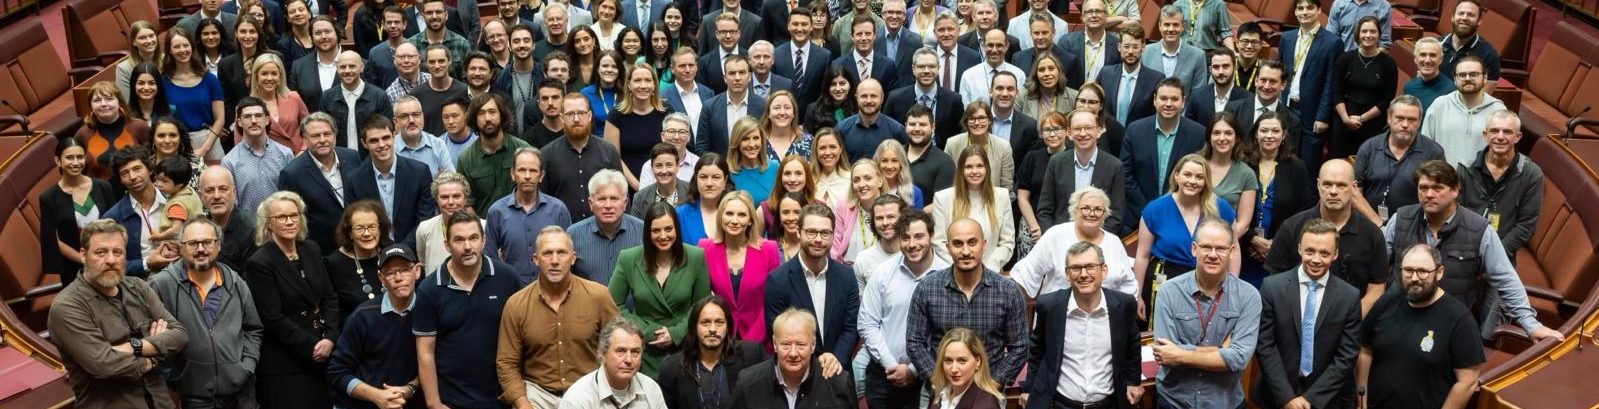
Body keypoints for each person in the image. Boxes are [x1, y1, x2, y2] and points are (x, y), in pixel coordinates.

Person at [1383, 161, 1562, 342]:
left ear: (1455, 190)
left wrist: (1532, 325)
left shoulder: (1479, 229)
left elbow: (1505, 278)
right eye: (1423, 188)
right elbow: (1376, 267)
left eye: (1438, 188)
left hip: (1450, 328)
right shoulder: (1400, 219)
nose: (1429, 194)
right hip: (1400, 318)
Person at [48, 219, 190, 409]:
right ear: (83, 255)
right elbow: (104, 365)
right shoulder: (67, 306)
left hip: (160, 402)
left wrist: (134, 346)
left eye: (118, 252)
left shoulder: (138, 287)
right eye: (101, 252)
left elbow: (179, 335)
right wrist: (155, 355)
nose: (111, 260)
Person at [496, 227, 619, 408]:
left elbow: (619, 346)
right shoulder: (516, 305)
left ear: (573, 257)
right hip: (538, 395)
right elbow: (507, 363)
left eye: (561, 253)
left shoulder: (598, 296)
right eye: (547, 254)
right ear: (535, 259)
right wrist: (522, 403)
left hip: (588, 392)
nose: (554, 261)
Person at [149, 218, 264, 408]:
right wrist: (173, 379)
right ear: (181, 247)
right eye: (192, 243)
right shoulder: (161, 285)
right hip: (190, 398)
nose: (200, 249)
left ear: (218, 245)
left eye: (207, 242)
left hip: (240, 396)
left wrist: (246, 367)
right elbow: (150, 337)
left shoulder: (235, 283)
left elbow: (253, 329)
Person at [1355, 243, 1483, 409]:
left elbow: (1467, 382)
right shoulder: (1388, 301)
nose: (1414, 278)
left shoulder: (1460, 319)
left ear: (1439, 272)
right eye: (1408, 270)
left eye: (1422, 271)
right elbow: (1365, 349)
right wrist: (1361, 395)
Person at [1252, 218, 1362, 409]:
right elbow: (1265, 345)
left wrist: (1311, 399)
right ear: (1300, 249)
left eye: (1324, 253)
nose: (1316, 259)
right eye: (1310, 251)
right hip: (1275, 397)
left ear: (1335, 254)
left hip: (1326, 401)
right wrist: (1286, 397)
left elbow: (1346, 355)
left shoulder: (1349, 297)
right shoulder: (1272, 288)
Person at [1150, 219, 1261, 409]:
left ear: (1232, 251)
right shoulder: (1169, 291)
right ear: (1194, 249)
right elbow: (1165, 355)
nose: (1213, 254)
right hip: (1174, 401)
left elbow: (1238, 359)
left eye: (1221, 248)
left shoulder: (1249, 296)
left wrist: (1181, 354)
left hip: (1225, 403)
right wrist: (1220, 351)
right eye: (1206, 247)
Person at [244, 191, 341, 408]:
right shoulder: (260, 262)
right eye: (281, 217)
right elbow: (272, 318)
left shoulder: (312, 249)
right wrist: (313, 346)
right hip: (286, 364)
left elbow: (329, 298)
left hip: (322, 355)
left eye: (294, 215)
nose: (289, 222)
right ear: (268, 224)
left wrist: (331, 338)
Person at [418, 212, 522, 408]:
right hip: (452, 401)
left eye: (473, 238)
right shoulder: (429, 289)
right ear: (447, 245)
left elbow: (523, 336)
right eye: (459, 240)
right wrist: (434, 403)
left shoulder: (507, 277)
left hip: (502, 398)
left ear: (484, 241)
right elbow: (425, 352)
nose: (467, 246)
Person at [907, 218, 1029, 386]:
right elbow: (914, 343)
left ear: (984, 244)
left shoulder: (1008, 291)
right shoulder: (927, 288)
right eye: (958, 244)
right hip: (939, 391)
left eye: (972, 242)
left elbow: (1020, 347)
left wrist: (991, 385)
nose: (965, 251)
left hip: (989, 392)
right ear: (948, 247)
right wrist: (937, 379)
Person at [1023, 242, 1144, 409]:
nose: (1083, 274)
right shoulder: (1049, 306)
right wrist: (1028, 388)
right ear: (1067, 273)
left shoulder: (1123, 305)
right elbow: (1037, 349)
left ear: (1104, 270)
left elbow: (1132, 345)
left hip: (1109, 404)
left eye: (1090, 267)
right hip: (1060, 403)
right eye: (1076, 268)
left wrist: (1133, 380)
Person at [1264, 160, 1388, 313]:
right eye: (1327, 184)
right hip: (1297, 322)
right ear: (1318, 185)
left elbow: (1376, 288)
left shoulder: (1372, 234)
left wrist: (1350, 322)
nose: (1333, 191)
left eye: (1341, 185)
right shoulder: (1291, 227)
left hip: (1352, 328)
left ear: (1354, 187)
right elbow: (1276, 281)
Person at [1133, 154, 1239, 320]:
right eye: (1187, 175)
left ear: (1206, 181)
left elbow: (1235, 252)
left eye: (1199, 177)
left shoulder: (1221, 208)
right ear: (1176, 175)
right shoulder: (1155, 209)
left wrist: (1232, 288)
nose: (1192, 181)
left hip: (1209, 280)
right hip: (1163, 282)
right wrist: (1137, 294)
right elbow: (1142, 255)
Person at [610, 201, 709, 376]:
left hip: (683, 349)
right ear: (647, 232)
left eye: (668, 229)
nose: (663, 236)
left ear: (677, 229)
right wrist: (648, 332)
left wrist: (676, 333)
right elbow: (612, 304)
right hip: (642, 352)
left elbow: (701, 305)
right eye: (656, 231)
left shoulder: (695, 256)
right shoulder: (629, 258)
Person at [860, 209, 946, 409]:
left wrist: (913, 370)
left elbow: (945, 333)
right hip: (883, 375)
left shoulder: (946, 277)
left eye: (919, 236)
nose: (912, 244)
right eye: (905, 238)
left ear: (931, 236)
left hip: (927, 378)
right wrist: (891, 365)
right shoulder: (882, 274)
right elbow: (867, 324)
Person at [327, 243, 423, 409]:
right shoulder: (363, 316)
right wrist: (376, 396)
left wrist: (410, 388)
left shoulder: (429, 311)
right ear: (381, 278)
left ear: (417, 271)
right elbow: (337, 372)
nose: (399, 278)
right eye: (391, 273)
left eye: (405, 270)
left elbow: (440, 364)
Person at [765, 202, 861, 363]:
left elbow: (851, 328)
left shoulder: (847, 276)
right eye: (811, 232)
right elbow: (777, 332)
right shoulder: (778, 280)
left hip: (838, 372)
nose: (818, 239)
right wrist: (814, 363)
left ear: (832, 235)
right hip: (797, 370)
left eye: (825, 233)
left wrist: (835, 359)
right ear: (798, 232)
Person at [1012, 187, 1139, 299]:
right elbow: (1025, 274)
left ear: (1105, 214)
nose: (1091, 214)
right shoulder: (1055, 235)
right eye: (1085, 208)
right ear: (1075, 210)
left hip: (1105, 319)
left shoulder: (1114, 242)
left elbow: (1128, 285)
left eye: (1098, 209)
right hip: (1058, 316)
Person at [1240, 112, 1319, 284]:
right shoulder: (1242, 164)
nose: (1269, 136)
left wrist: (1275, 244)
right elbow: (1232, 207)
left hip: (1281, 251)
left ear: (1283, 135)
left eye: (1275, 131)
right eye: (1264, 130)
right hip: (1243, 248)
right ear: (1256, 133)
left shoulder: (1297, 167)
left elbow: (1304, 210)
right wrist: (1252, 239)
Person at [1457, 110, 1542, 261]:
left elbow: (1526, 225)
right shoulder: (1465, 167)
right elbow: (1455, 213)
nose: (1500, 137)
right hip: (1464, 252)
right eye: (1494, 131)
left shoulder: (1531, 174)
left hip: (1503, 255)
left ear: (1518, 137)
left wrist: (1494, 255)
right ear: (1485, 135)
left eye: (1507, 132)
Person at [729, 308, 858, 407]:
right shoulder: (748, 384)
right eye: (785, 344)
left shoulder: (838, 384)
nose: (793, 353)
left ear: (813, 345)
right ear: (774, 344)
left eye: (801, 345)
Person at [701, 191, 785, 343]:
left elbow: (773, 299)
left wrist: (752, 341)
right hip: (719, 339)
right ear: (720, 217)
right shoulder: (705, 249)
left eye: (741, 215)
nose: (734, 220)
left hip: (760, 340)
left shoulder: (769, 250)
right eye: (729, 214)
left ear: (751, 220)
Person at [1122, 78, 1207, 227]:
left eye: (1174, 99)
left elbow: (1199, 176)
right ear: (1154, 100)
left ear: (1183, 102)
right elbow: (1126, 174)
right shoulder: (1135, 130)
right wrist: (1148, 210)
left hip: (1181, 216)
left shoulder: (1198, 134)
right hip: (1138, 216)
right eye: (1163, 98)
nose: (1168, 104)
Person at [656, 296, 767, 409]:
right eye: (705, 322)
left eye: (719, 322)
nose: (713, 329)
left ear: (728, 327)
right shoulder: (672, 368)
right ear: (694, 327)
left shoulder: (750, 355)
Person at [1351, 96, 1446, 227]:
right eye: (1400, 118)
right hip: (1369, 225)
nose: (1405, 124)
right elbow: (1354, 191)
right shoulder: (1369, 147)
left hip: (1415, 227)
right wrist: (1378, 224)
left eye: (1412, 120)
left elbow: (1439, 195)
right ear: (1389, 118)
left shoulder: (1433, 152)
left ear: (1419, 122)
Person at [484, 147, 573, 284]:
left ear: (541, 176)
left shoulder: (558, 209)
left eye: (533, 171)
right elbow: (489, 257)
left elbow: (569, 252)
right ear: (513, 174)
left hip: (553, 288)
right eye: (522, 170)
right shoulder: (497, 212)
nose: (527, 176)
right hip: (511, 290)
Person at [276, 113, 361, 253]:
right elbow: (291, 218)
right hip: (322, 252)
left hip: (359, 242)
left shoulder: (352, 157)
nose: (322, 140)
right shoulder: (292, 173)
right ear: (305, 139)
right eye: (316, 136)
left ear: (335, 135)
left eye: (327, 134)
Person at [348, 115, 438, 246]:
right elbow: (355, 223)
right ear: (364, 143)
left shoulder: (419, 172)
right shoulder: (354, 180)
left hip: (413, 252)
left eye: (385, 138)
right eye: (374, 141)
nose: (381, 145)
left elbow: (424, 220)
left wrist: (400, 250)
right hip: (374, 252)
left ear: (394, 136)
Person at [40, 138, 118, 285]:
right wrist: (84, 259)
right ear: (58, 161)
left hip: (110, 260)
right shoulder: (48, 198)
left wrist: (107, 255)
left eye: (80, 157)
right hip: (76, 269)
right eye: (69, 157)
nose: (76, 163)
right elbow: (53, 240)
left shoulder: (103, 187)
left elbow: (115, 224)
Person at [1036, 109, 1127, 234]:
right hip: (1061, 240)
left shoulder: (1114, 166)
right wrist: (1055, 240)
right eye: (1077, 129)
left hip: (1098, 243)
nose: (1083, 134)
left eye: (1088, 128)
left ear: (1099, 131)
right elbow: (1044, 210)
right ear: (1069, 133)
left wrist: (1094, 243)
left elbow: (1116, 215)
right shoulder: (1056, 162)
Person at [1279, 0, 1345, 168]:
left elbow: (1331, 83)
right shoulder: (1287, 38)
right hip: (1287, 109)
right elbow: (1280, 74)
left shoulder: (1332, 42)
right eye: (1300, 8)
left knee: (1308, 166)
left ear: (1319, 10)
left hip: (1312, 114)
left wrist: (1322, 116)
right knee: (1285, 162)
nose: (1305, 12)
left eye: (1310, 7)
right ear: (1295, 12)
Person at [545, 92, 628, 221]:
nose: (576, 119)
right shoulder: (547, 155)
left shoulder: (608, 151)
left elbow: (622, 194)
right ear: (562, 118)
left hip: (604, 231)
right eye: (570, 114)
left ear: (589, 116)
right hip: (562, 233)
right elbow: (544, 200)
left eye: (581, 113)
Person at [931, 147, 1015, 271]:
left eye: (979, 166)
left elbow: (1007, 243)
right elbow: (939, 242)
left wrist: (986, 270)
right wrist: (959, 268)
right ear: (961, 170)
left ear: (987, 168)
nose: (974, 171)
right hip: (955, 273)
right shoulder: (942, 198)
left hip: (991, 273)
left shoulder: (1001, 196)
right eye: (969, 167)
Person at [1326, 17, 1397, 159]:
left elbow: (1387, 98)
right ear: (1358, 34)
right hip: (1343, 121)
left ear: (1379, 35)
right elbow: (1336, 91)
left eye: (1372, 31)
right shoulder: (1345, 59)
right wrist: (1346, 119)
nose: (1368, 35)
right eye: (1364, 31)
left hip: (1372, 124)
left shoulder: (1388, 64)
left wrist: (1362, 119)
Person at [558, 318, 670, 408]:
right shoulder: (577, 399)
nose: (629, 360)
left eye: (635, 352)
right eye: (620, 351)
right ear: (602, 353)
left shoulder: (651, 389)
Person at [103, 146, 177, 278]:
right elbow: (109, 263)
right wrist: (146, 263)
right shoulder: (113, 218)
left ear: (149, 169)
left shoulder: (176, 200)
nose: (132, 177)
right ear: (120, 179)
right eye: (125, 173)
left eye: (137, 169)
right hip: (142, 286)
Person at [1421, 56, 1506, 167]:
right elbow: (1425, 148)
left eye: (1473, 74)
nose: (1467, 78)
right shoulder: (1439, 106)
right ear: (1455, 79)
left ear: (1485, 77)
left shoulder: (1498, 110)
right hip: (1443, 180)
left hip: (1481, 181)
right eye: (1462, 75)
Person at [458, 93, 535, 215]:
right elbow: (466, 204)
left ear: (502, 115)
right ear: (474, 119)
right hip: (484, 226)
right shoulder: (466, 159)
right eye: (481, 113)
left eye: (492, 111)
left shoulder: (523, 150)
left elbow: (535, 191)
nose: (487, 118)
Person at [223, 98, 295, 222]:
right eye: (247, 116)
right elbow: (231, 205)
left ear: (267, 120)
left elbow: (293, 196)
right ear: (239, 122)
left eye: (258, 115)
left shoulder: (285, 154)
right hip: (248, 232)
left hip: (283, 226)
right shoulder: (229, 162)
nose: (254, 121)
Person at [162, 30, 227, 162]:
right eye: (176, 46)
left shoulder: (209, 79)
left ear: (192, 47)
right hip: (176, 143)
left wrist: (204, 149)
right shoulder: (163, 82)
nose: (182, 50)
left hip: (209, 141)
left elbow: (220, 119)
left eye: (186, 45)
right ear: (169, 50)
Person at [569, 170, 646, 283]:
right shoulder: (573, 235)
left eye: (614, 199)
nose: (608, 205)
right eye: (602, 199)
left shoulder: (642, 231)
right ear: (591, 203)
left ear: (625, 203)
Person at [322, 199, 390, 323]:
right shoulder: (334, 263)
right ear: (350, 233)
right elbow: (330, 308)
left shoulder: (391, 252)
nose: (367, 233)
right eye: (359, 229)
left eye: (372, 227)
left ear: (380, 228)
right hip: (356, 334)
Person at [1199, 115, 1260, 251]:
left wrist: (1219, 245)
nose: (1222, 138)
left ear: (1236, 138)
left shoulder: (1246, 174)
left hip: (1222, 248)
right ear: (1209, 137)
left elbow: (1243, 224)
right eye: (1216, 133)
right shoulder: (1195, 164)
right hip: (1187, 243)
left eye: (1228, 133)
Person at [607, 63, 672, 188]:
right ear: (629, 85)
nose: (643, 85)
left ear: (654, 85)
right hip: (628, 186)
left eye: (648, 80)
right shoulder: (615, 115)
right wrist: (639, 187)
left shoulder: (666, 112)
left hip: (663, 184)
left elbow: (674, 152)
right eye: (637, 80)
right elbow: (614, 158)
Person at [884, 49, 964, 148]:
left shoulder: (953, 100)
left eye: (931, 66)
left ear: (938, 68)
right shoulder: (895, 99)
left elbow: (958, 136)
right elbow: (887, 132)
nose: (926, 71)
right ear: (913, 69)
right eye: (921, 67)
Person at [75, 82, 152, 181]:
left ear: (120, 103)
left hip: (135, 187)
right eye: (97, 100)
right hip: (99, 191)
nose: (103, 104)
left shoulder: (139, 127)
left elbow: (153, 158)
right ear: (91, 106)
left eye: (109, 99)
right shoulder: (83, 134)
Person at [1018, 112, 1075, 241]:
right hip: (1033, 226)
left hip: (1064, 228)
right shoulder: (1032, 157)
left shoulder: (1074, 159)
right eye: (1047, 130)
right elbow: (1023, 198)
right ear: (1041, 134)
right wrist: (1035, 228)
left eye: (1057, 129)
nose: (1052, 134)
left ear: (1067, 132)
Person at [322, 52, 394, 150]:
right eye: (343, 67)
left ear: (361, 68)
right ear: (337, 68)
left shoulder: (378, 96)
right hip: (339, 158)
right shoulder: (327, 97)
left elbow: (387, 131)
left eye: (352, 66)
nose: (347, 71)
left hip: (371, 157)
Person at [1098, 26, 1162, 128]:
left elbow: (1157, 115)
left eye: (1135, 47)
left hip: (1139, 139)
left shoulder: (1156, 79)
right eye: (1126, 46)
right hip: (1108, 138)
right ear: (1119, 47)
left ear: (1143, 47)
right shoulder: (1105, 74)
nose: (1130, 51)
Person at [943, 102, 1016, 190]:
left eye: (981, 118)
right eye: (972, 119)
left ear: (989, 120)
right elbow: (947, 182)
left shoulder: (1004, 147)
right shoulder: (952, 144)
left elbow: (1007, 187)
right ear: (966, 122)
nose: (977, 123)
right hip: (959, 200)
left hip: (992, 201)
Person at [926, 328, 1005, 409]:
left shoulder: (987, 405)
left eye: (962, 361)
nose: (954, 369)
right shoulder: (938, 393)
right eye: (948, 360)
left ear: (977, 361)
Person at [415, 172, 476, 274]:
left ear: (465, 199)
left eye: (456, 196)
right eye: (444, 197)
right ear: (436, 200)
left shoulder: (483, 227)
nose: (451, 202)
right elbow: (424, 263)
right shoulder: (425, 228)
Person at [197, 166, 256, 272]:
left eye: (223, 189)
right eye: (209, 190)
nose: (216, 196)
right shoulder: (197, 230)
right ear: (201, 195)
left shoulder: (251, 230)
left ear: (234, 192)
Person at [775, 7, 835, 112]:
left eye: (804, 24)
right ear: (788, 26)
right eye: (795, 24)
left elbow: (825, 93)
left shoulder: (824, 56)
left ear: (811, 27)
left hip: (814, 120)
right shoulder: (776, 54)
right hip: (783, 117)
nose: (799, 29)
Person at [833, 159, 887, 261]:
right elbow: (835, 247)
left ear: (880, 181)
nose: (862, 185)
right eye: (856, 180)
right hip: (849, 271)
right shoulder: (844, 206)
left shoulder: (893, 207)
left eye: (868, 178)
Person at [1141, 6, 1208, 88]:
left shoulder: (1198, 56)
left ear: (1183, 26)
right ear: (1159, 26)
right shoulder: (1145, 53)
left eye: (1175, 25)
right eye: (1167, 24)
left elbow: (1198, 94)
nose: (1171, 29)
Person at [411, 45, 471, 135]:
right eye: (432, 62)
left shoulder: (465, 91)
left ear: (449, 61)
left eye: (441, 61)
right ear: (426, 64)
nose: (437, 66)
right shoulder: (416, 95)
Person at [1438, 0, 1501, 82]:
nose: (1464, 18)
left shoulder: (1489, 56)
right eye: (1461, 13)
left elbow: (1485, 94)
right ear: (1452, 17)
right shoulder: (1436, 45)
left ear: (1479, 21)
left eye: (1470, 15)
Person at [392, 96, 456, 177]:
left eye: (415, 114)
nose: (411, 120)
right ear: (395, 121)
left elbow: (451, 181)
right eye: (404, 116)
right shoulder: (390, 149)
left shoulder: (438, 145)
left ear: (422, 116)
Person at [959, 29, 1023, 106]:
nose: (994, 50)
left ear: (1006, 46)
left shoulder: (1018, 75)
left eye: (999, 45)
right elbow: (966, 110)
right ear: (983, 46)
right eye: (990, 45)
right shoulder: (969, 76)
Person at [1185, 48, 1248, 126]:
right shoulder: (1197, 97)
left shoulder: (1247, 99)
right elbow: (1188, 128)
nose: (1220, 72)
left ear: (1235, 67)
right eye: (1216, 67)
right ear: (1210, 70)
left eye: (1225, 66)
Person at [408, 0, 472, 76]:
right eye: (429, 13)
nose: (434, 16)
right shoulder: (411, 45)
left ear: (446, 15)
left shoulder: (462, 44)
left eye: (438, 12)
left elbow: (467, 77)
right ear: (423, 16)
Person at [726, 117, 781, 205]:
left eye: (756, 138)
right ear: (736, 142)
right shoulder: (728, 173)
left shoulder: (775, 168)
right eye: (745, 139)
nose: (752, 144)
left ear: (762, 140)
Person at [905, 106, 957, 197]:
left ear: (933, 127)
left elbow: (941, 202)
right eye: (912, 124)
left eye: (922, 125)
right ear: (906, 126)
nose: (917, 129)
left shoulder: (945, 162)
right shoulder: (894, 155)